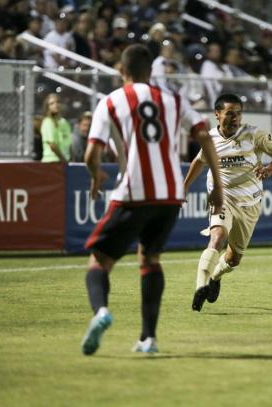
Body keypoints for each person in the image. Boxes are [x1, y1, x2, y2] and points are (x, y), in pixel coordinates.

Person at [80, 44, 223, 355]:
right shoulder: (172, 100)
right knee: (150, 260)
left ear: (122, 70)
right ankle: (148, 339)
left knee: (100, 262)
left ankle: (101, 312)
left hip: (134, 191)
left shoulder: (112, 101)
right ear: (151, 71)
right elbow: (203, 135)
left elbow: (92, 152)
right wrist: (218, 185)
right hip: (170, 195)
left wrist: (95, 175)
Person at [184, 93, 272, 312]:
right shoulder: (210, 138)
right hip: (222, 198)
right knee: (217, 236)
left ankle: (215, 276)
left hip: (249, 203)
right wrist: (183, 188)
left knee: (233, 259)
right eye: (230, 113)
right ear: (217, 114)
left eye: (238, 113)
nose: (235, 118)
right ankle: (199, 288)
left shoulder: (254, 135)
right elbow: (198, 162)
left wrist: (270, 168)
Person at [40, 94, 72, 163]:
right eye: (52, 103)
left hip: (65, 162)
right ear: (47, 107)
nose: (56, 105)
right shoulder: (47, 122)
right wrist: (64, 160)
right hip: (51, 162)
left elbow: (69, 144)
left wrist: (71, 160)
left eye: (58, 102)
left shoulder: (65, 123)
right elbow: (52, 145)